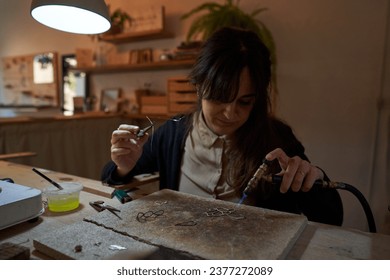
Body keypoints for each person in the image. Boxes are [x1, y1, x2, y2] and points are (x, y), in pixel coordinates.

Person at [101, 27, 343, 226]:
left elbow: (331, 217)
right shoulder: (173, 134)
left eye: (244, 101)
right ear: (198, 87)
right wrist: (123, 166)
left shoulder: (277, 140)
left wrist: (313, 179)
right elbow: (112, 176)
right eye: (219, 97)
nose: (230, 113)